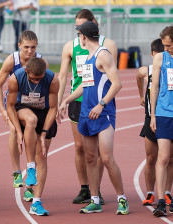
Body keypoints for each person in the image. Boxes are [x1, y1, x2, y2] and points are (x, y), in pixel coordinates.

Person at [59, 21, 128, 215]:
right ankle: (95, 199)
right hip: (86, 113)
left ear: (83, 36)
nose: (78, 38)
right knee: (90, 158)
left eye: (79, 35)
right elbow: (85, 85)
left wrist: (101, 104)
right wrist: (67, 100)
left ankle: (121, 199)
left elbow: (117, 84)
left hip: (103, 113)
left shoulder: (103, 55)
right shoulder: (88, 57)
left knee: (106, 158)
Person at [0, 30, 48, 202]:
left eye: (32, 47)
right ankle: (17, 172)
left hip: (33, 105)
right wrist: (3, 111)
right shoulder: (12, 60)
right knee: (14, 130)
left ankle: (30, 187)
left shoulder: (40, 62)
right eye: (26, 47)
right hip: (14, 104)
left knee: (33, 139)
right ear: (19, 46)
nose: (29, 51)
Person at [6, 57, 59, 216]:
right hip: (23, 108)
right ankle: (30, 168)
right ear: (27, 71)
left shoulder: (52, 79)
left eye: (40, 79)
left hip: (45, 112)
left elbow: (53, 108)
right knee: (31, 120)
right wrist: (18, 130)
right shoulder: (16, 78)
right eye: (33, 79)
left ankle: (36, 202)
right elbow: (9, 106)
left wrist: (43, 133)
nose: (36, 82)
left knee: (42, 156)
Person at [136, 38, 173, 207]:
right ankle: (152, 193)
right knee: (152, 158)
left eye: (168, 46)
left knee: (168, 158)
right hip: (156, 115)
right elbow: (144, 80)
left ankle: (166, 194)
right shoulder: (147, 70)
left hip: (162, 114)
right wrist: (141, 96)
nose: (165, 50)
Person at [150, 25, 173, 217]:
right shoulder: (160, 58)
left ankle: (169, 196)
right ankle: (160, 201)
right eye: (164, 45)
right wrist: (153, 115)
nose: (166, 48)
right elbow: (155, 86)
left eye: (169, 45)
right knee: (163, 157)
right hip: (164, 113)